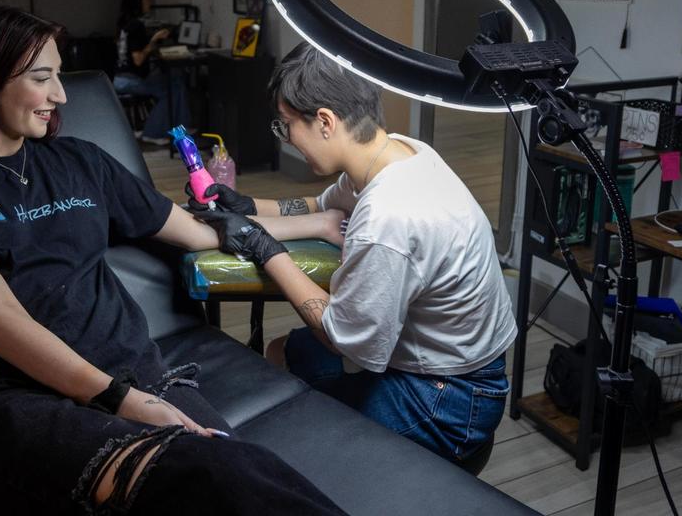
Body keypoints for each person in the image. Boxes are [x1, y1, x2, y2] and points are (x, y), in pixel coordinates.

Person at [0, 4, 348, 515]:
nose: (60, 95)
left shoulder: (80, 161)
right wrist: (119, 400)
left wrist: (316, 222)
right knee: (205, 476)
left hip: (131, 369)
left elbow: (197, 231)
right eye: (43, 78)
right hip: (5, 394)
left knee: (243, 470)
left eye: (58, 76)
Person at [193, 42, 517, 468]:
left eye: (287, 126)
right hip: (443, 362)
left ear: (325, 122)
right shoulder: (397, 152)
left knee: (291, 442)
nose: (287, 138)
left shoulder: (390, 217)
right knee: (279, 351)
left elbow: (345, 338)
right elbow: (322, 206)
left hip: (450, 399)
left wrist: (264, 250)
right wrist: (247, 207)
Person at [112, 0, 190, 145]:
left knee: (176, 80)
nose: (150, 2)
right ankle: (154, 132)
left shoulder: (123, 23)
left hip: (119, 77)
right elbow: (138, 59)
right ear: (138, 2)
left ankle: (180, 129)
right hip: (129, 80)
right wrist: (154, 40)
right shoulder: (136, 25)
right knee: (171, 87)